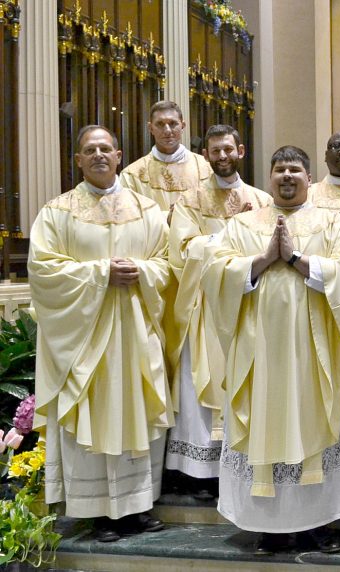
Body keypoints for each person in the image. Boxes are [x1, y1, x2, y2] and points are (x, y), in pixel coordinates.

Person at [203, 146, 340, 555]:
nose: (287, 176)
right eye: (279, 170)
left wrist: (295, 258)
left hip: (315, 352)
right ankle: (267, 525)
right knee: (263, 424)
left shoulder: (333, 224)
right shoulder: (242, 224)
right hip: (257, 355)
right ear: (268, 177)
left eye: (295, 169)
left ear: (309, 179)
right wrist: (261, 260)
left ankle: (319, 523)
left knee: (315, 428)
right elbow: (214, 273)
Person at [30, 125, 172, 542]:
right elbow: (42, 270)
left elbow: (167, 265)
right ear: (77, 161)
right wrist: (100, 272)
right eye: (89, 150)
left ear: (119, 155)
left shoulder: (147, 210)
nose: (98, 156)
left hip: (133, 332)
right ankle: (98, 512)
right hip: (84, 339)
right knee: (93, 414)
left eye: (105, 149)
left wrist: (142, 271)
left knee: (136, 411)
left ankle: (136, 506)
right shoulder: (57, 212)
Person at [164, 125, 272, 491]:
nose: (222, 156)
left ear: (241, 151)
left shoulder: (261, 200)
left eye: (228, 149)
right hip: (207, 306)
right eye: (215, 151)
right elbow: (182, 251)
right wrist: (229, 235)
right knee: (201, 383)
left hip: (248, 303)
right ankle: (202, 471)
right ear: (206, 155)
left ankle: (241, 458)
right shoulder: (191, 201)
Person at [121, 100, 212, 216]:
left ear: (183, 126)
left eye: (173, 123)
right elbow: (129, 218)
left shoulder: (206, 168)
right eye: (160, 124)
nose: (167, 130)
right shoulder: (132, 175)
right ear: (150, 128)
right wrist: (169, 216)